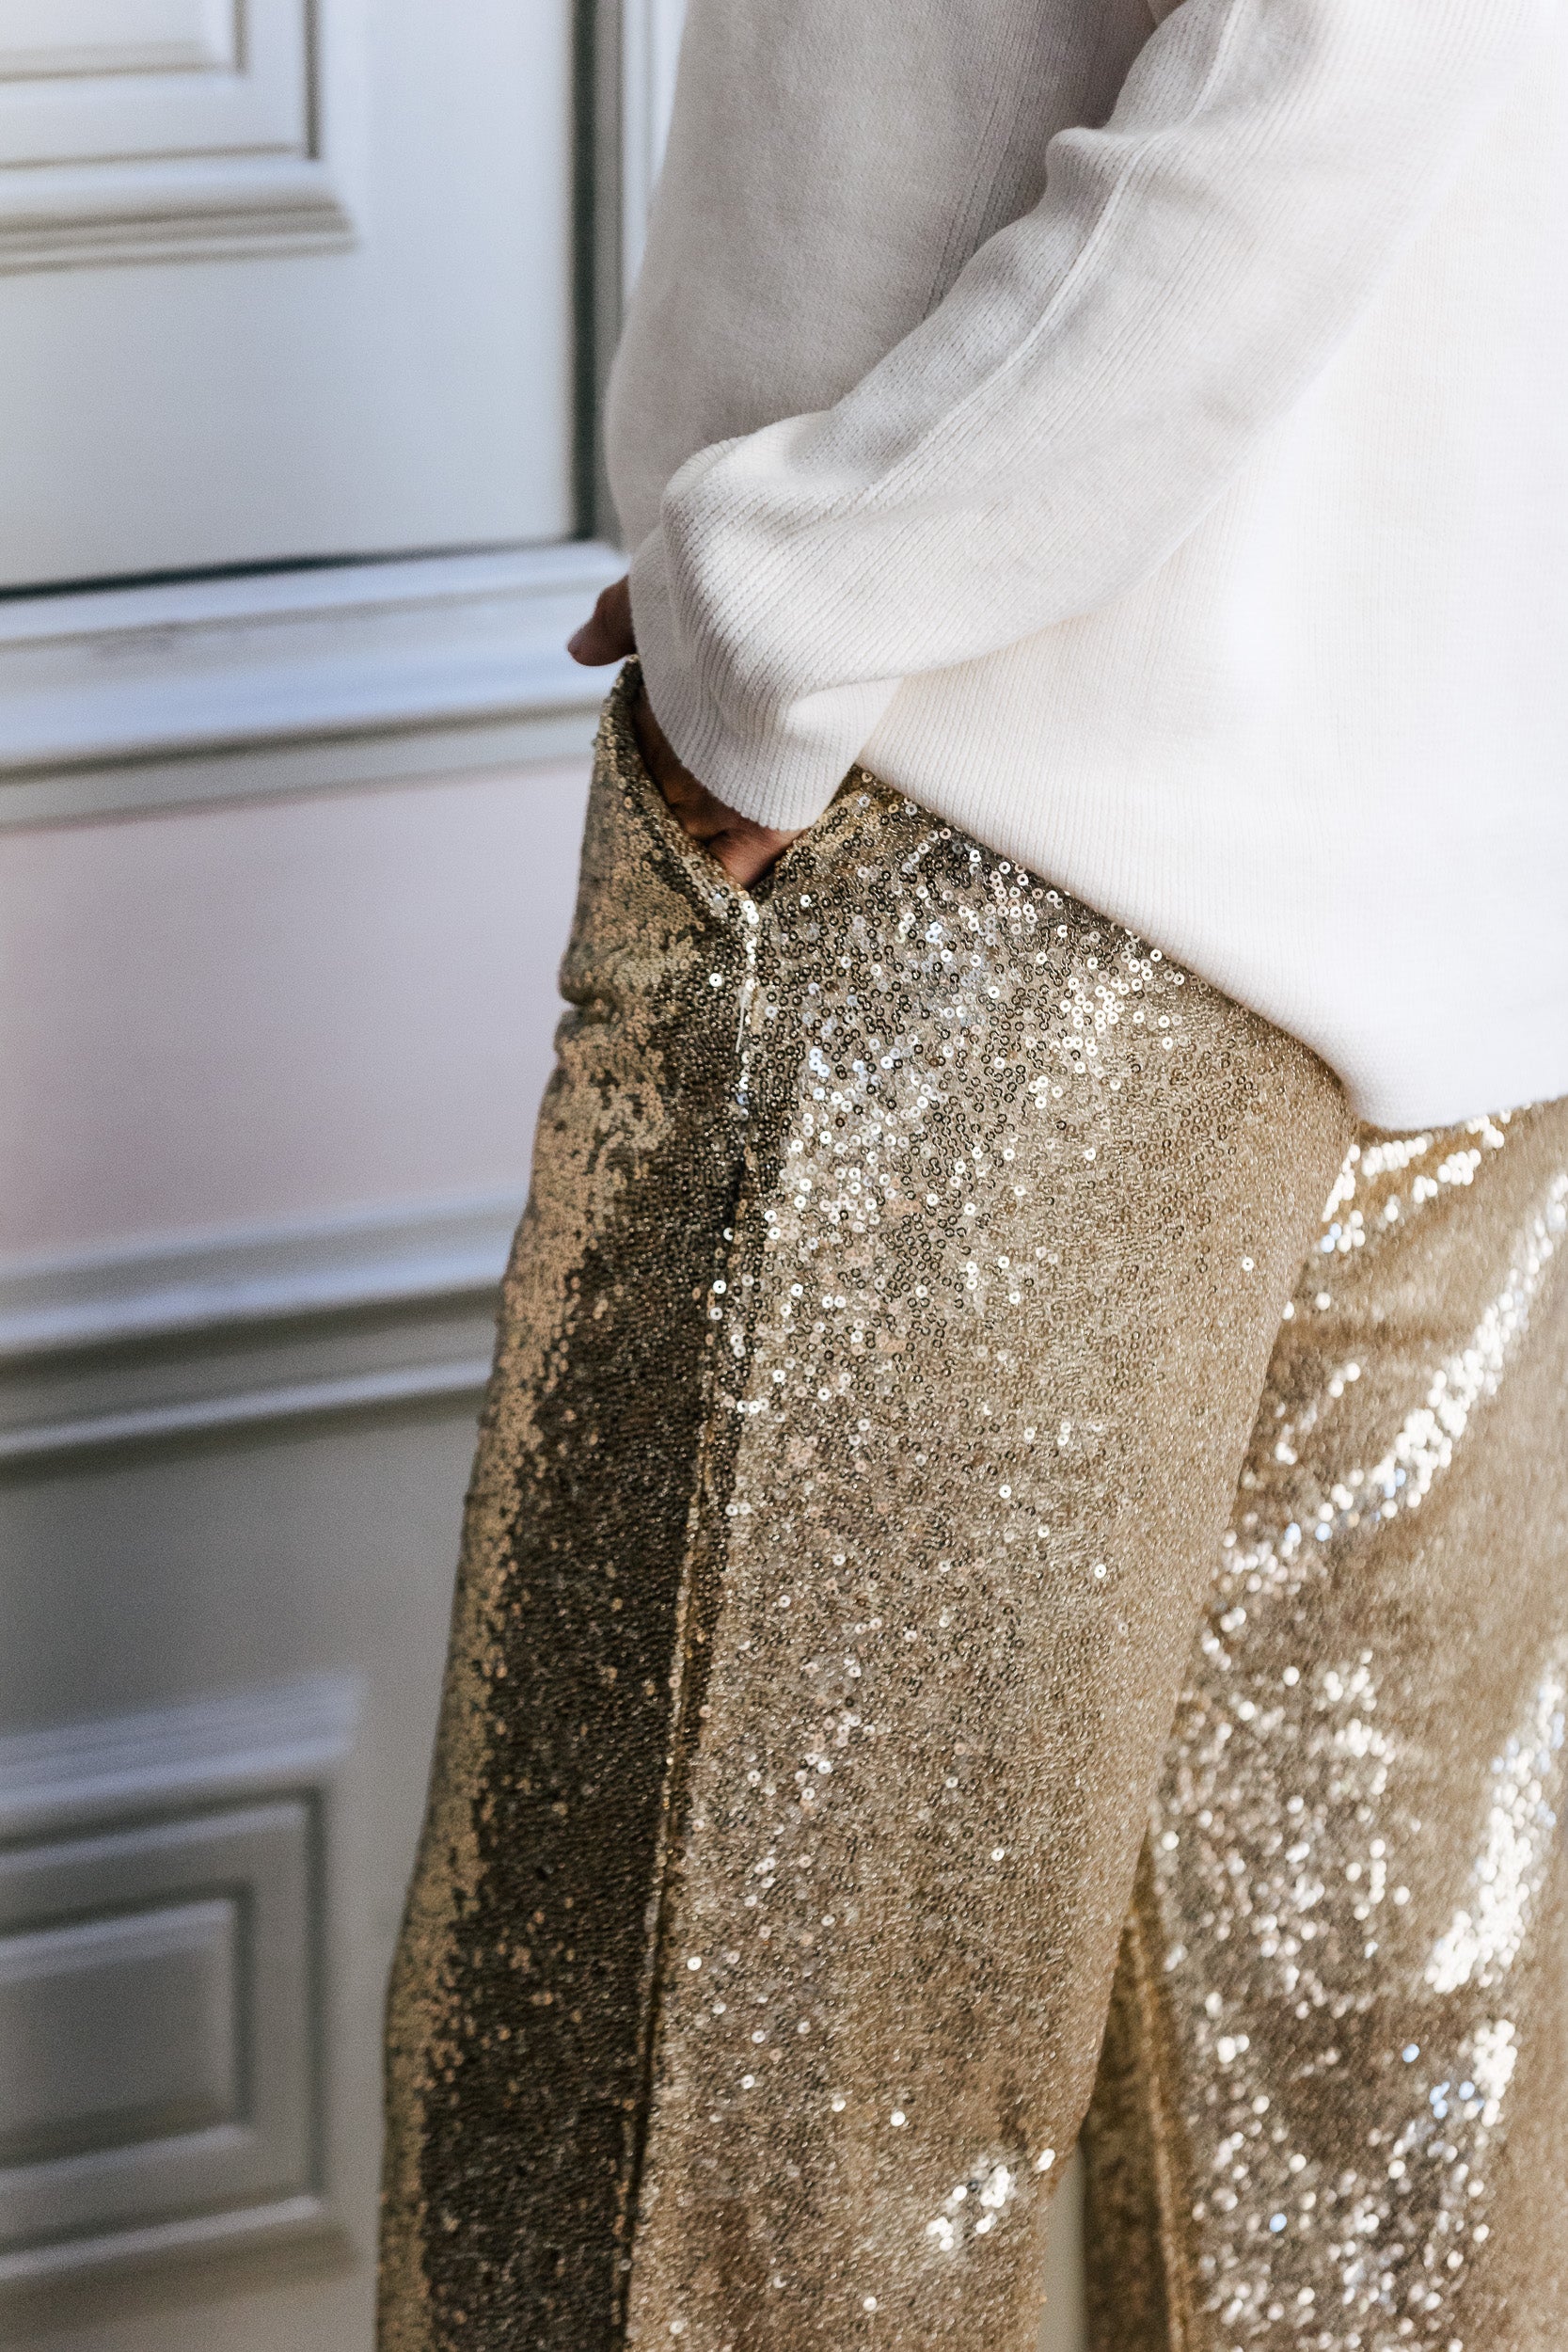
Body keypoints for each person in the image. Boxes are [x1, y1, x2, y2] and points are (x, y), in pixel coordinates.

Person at [378, 2, 1568, 2345]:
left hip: (985, 811)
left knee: (695, 2199)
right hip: (1454, 822)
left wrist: (817, 584)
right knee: (1365, 2203)